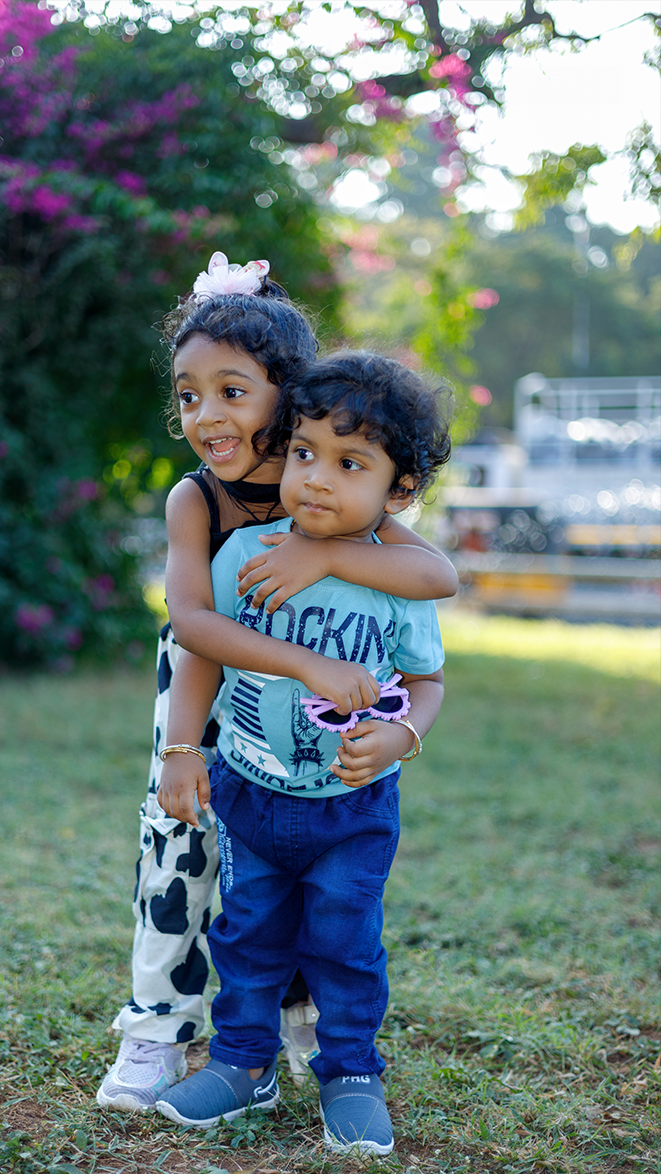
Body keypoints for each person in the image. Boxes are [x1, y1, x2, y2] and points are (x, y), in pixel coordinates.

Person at [96, 255, 457, 1113]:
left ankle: (294, 1025)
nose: (206, 415)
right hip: (200, 684)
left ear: (286, 392)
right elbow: (194, 629)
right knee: (181, 854)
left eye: (231, 390)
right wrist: (185, 748)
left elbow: (437, 575)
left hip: (304, 714)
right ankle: (158, 1028)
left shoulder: (336, 483)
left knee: (284, 867)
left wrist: (323, 553)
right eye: (188, 395)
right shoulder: (201, 501)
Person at [154, 351, 450, 1156]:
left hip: (354, 807)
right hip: (251, 793)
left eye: (349, 463)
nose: (316, 478)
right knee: (246, 936)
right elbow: (202, 654)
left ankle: (351, 1072)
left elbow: (427, 680)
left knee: (344, 942)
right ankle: (244, 1064)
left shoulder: (399, 580)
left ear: (398, 491)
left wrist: (403, 733)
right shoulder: (246, 555)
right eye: (306, 453)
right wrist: (183, 748)